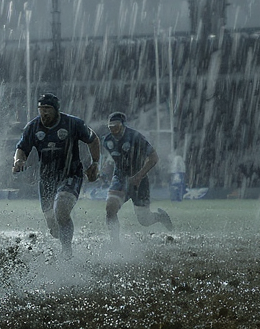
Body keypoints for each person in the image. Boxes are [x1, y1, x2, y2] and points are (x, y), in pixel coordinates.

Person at [12, 94, 100, 255]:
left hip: (71, 174)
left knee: (61, 210)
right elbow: (21, 149)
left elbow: (93, 139)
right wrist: (18, 161)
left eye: (47, 109)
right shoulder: (33, 127)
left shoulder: (73, 123)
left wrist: (95, 163)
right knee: (53, 228)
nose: (44, 113)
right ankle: (66, 237)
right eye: (41, 109)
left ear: (56, 110)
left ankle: (67, 252)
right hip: (46, 179)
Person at [100, 112, 173, 245]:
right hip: (120, 178)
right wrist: (103, 171)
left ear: (123, 125)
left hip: (140, 180)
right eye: (110, 126)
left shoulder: (135, 137)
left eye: (116, 126)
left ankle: (160, 217)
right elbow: (112, 159)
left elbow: (154, 157)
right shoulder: (107, 141)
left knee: (144, 220)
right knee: (110, 208)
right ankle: (115, 243)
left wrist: (139, 176)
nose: (113, 129)